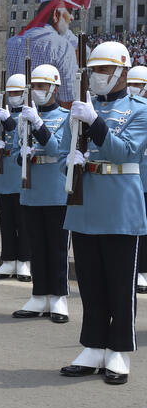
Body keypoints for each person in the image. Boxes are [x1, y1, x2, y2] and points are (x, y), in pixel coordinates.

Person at [58, 41, 147, 385]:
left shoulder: (139, 109)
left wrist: (94, 122)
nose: (97, 77)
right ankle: (94, 346)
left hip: (119, 204)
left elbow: (126, 152)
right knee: (91, 282)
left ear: (123, 72)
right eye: (93, 70)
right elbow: (72, 148)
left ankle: (119, 351)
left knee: (120, 283)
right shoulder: (83, 107)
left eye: (104, 70)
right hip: (85, 201)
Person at [14, 64, 70, 322]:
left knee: (57, 248)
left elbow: (58, 149)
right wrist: (21, 155)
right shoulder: (23, 118)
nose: (37, 91)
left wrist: (38, 125)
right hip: (32, 190)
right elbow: (16, 153)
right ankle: (38, 295)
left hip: (57, 189)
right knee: (37, 246)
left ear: (55, 88)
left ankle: (58, 297)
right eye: (34, 86)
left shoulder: (67, 117)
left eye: (42, 86)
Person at [0, 74, 31, 281]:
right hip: (4, 177)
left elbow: (25, 139)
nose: (13, 96)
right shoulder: (0, 116)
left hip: (22, 177)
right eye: (11, 93)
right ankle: (7, 260)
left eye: (17, 93)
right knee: (6, 223)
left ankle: (24, 261)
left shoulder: (30, 116)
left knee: (23, 223)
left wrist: (10, 124)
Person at [129, 67, 147, 295]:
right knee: (137, 229)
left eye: (139, 84)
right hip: (133, 179)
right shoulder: (129, 111)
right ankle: (139, 270)